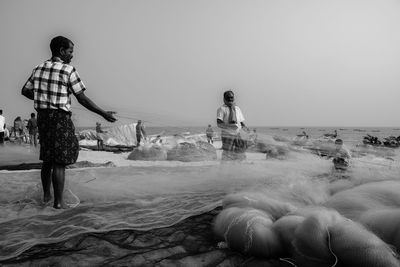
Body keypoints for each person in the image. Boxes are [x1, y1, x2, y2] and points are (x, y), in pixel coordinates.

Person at [21, 36, 116, 209]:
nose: (72, 55)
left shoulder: (38, 68)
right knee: (59, 162)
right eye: (70, 51)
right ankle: (59, 203)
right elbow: (82, 98)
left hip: (43, 117)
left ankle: (46, 197)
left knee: (48, 159)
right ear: (61, 51)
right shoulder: (68, 70)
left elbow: (25, 91)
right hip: (60, 118)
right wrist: (102, 113)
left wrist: (44, 99)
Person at [217, 90, 249, 160]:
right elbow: (219, 123)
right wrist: (230, 126)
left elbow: (241, 122)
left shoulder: (237, 108)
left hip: (238, 135)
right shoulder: (221, 109)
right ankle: (224, 168)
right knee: (227, 153)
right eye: (228, 97)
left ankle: (237, 168)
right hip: (227, 135)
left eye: (231, 97)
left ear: (234, 98)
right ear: (224, 99)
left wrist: (245, 129)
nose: (230, 99)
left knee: (240, 152)